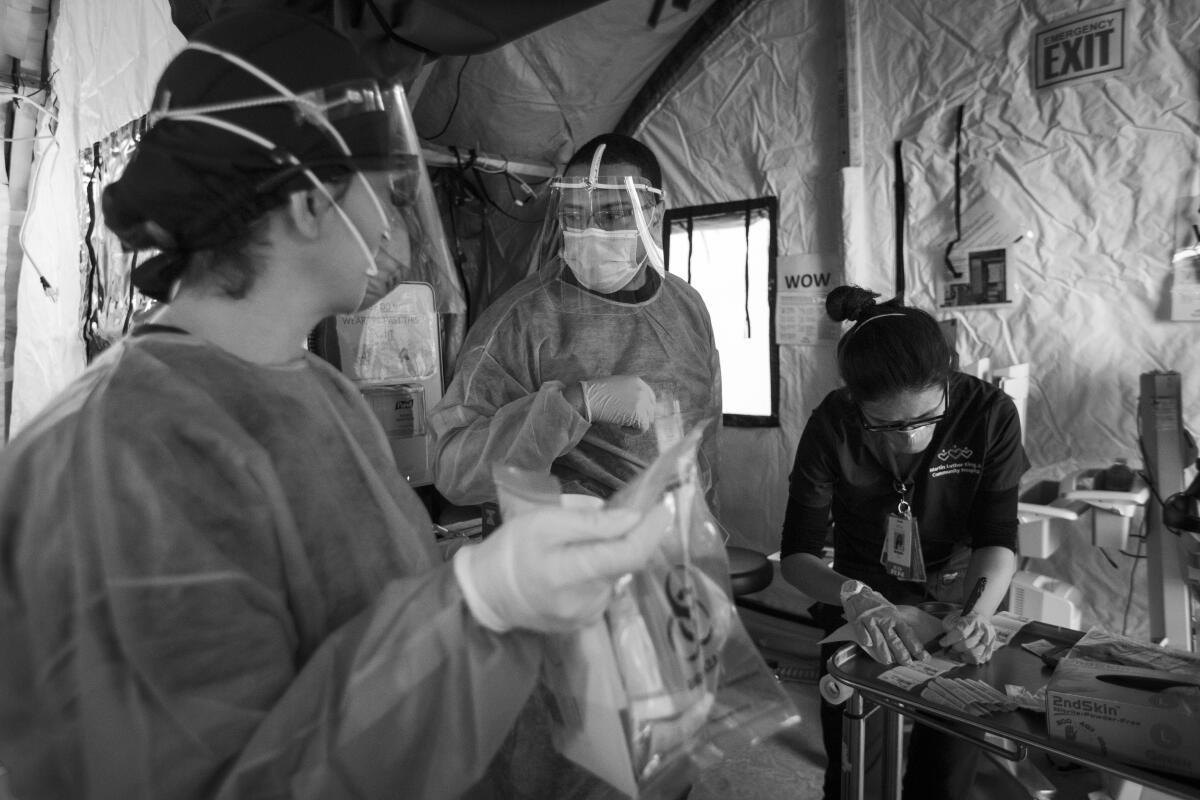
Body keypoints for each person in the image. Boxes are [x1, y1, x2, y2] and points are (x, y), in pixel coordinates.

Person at [0, 13, 673, 799]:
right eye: (383, 192)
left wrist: (503, 588)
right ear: (309, 203)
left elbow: (363, 614)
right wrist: (480, 605)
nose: (393, 225)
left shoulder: (316, 390)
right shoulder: (125, 457)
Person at [779, 285, 1025, 800]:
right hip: (860, 604)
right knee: (854, 771)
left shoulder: (988, 413)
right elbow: (797, 556)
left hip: (959, 601)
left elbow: (997, 536)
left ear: (948, 379)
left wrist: (978, 614)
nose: (910, 438)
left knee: (945, 775)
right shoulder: (832, 425)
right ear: (855, 401)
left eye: (925, 419)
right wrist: (855, 597)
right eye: (887, 426)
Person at [428, 133, 722, 507]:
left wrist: (705, 531)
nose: (591, 232)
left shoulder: (687, 308)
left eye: (614, 214)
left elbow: (706, 444)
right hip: (575, 552)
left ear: (654, 214)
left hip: (675, 548)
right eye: (574, 215)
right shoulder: (522, 319)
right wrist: (571, 405)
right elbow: (454, 470)